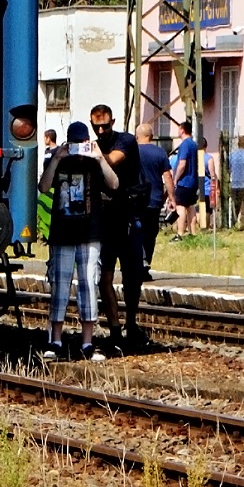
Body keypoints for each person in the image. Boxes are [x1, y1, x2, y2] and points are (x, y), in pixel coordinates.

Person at [39, 120, 119, 361]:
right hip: (62, 233)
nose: (78, 149)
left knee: (88, 286)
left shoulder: (95, 163)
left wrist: (100, 158)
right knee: (60, 287)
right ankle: (55, 341)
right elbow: (43, 187)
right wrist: (56, 158)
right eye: (74, 144)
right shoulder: (56, 159)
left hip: (90, 233)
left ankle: (87, 343)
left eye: (81, 144)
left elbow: (114, 184)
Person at [89, 105, 147, 350]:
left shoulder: (126, 140)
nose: (101, 131)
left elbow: (113, 160)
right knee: (105, 276)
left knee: (133, 274)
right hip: (105, 218)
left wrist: (92, 152)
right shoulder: (93, 146)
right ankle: (115, 328)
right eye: (96, 127)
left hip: (129, 213)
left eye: (105, 126)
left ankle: (131, 323)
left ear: (113, 122)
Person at [136, 123, 176, 268]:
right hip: (155, 199)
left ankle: (139, 259)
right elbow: (167, 177)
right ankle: (146, 260)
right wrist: (172, 198)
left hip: (135, 199)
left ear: (137, 136)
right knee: (151, 231)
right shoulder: (160, 153)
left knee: (136, 229)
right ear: (151, 137)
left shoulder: (131, 152)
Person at [170, 121, 199, 238]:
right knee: (191, 206)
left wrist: (175, 178)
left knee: (180, 207)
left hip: (184, 181)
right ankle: (193, 233)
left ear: (182, 130)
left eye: (178, 129)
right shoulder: (193, 144)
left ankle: (180, 234)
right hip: (193, 181)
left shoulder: (184, 145)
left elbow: (182, 163)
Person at [196, 137, 218, 231]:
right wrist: (216, 185)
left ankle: (199, 225)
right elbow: (212, 174)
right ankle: (205, 228)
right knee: (207, 210)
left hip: (196, 187)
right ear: (206, 146)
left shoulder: (194, 158)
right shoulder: (209, 159)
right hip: (207, 187)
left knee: (197, 209)